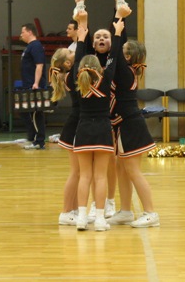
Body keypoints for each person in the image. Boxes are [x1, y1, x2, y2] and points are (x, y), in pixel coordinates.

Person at [74, 14, 124, 231]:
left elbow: (78, 58)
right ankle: (101, 219)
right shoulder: (106, 79)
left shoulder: (78, 82)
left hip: (83, 130)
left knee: (84, 176)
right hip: (103, 130)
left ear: (81, 68)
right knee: (100, 176)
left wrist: (81, 38)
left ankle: (81, 218)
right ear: (100, 68)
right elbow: (113, 57)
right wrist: (117, 34)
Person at [107, 39, 160, 228]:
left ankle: (151, 213)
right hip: (122, 124)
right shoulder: (125, 71)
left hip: (130, 125)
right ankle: (125, 211)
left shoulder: (125, 71)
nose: (117, 51)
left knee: (133, 170)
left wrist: (118, 28)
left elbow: (115, 49)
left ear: (127, 57)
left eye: (122, 50)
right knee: (121, 168)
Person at [49, 46, 79, 225]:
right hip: (74, 127)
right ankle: (66, 212)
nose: (74, 51)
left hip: (76, 124)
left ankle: (74, 210)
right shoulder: (71, 75)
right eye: (70, 52)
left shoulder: (70, 74)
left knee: (79, 173)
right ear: (68, 63)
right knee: (76, 172)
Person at [19, 23, 47, 150]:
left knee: (36, 113)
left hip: (34, 85)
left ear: (30, 32)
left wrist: (36, 83)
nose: (21, 35)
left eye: (23, 32)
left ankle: (39, 141)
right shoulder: (29, 47)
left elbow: (39, 65)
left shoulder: (35, 46)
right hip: (28, 84)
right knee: (26, 112)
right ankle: (34, 137)